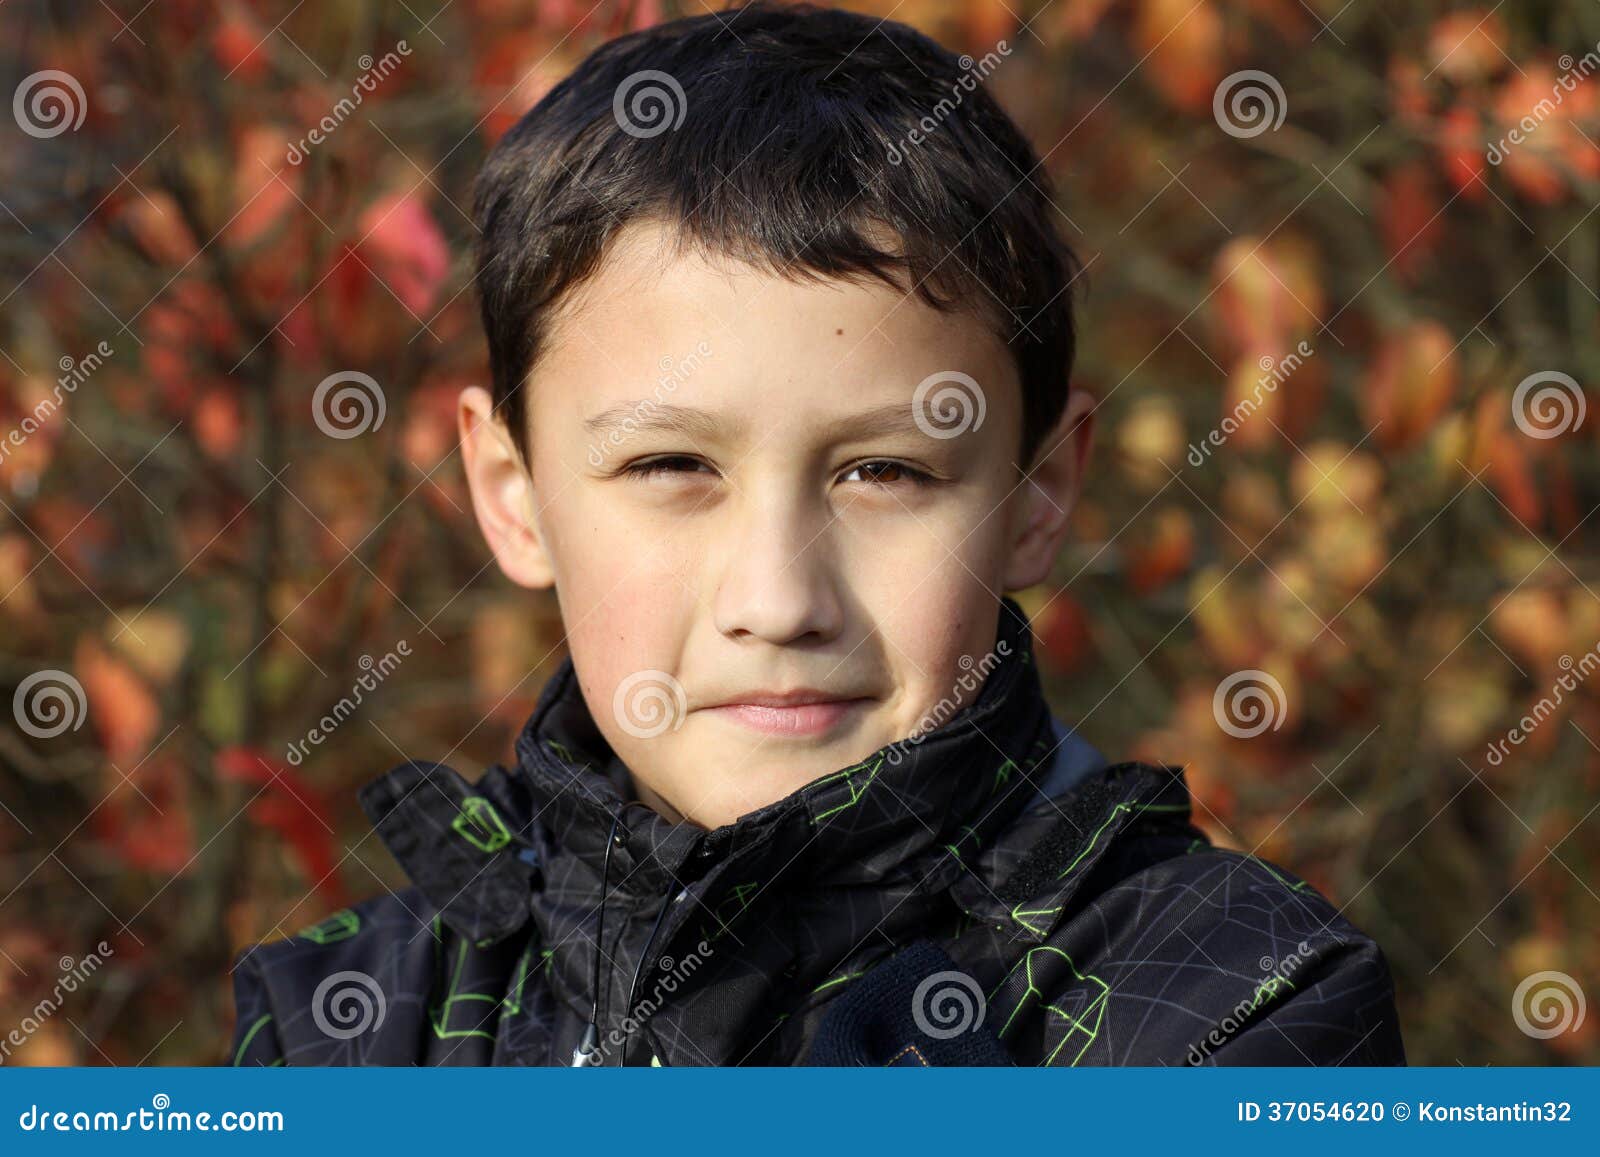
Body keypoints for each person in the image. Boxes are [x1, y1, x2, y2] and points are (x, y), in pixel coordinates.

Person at [229, 0, 1404, 1067]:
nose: (780, 598)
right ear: (511, 490)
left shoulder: (1227, 1004)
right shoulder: (344, 1024)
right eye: (672, 466)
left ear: (1036, 493)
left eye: (885, 471)